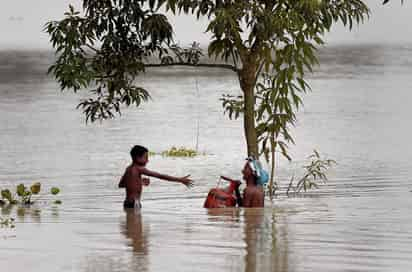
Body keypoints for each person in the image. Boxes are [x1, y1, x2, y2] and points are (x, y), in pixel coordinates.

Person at [119, 145, 194, 209]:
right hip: (134, 203)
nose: (147, 160)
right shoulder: (139, 168)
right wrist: (179, 179)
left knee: (131, 224)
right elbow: (159, 176)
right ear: (138, 158)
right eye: (146, 157)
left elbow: (121, 185)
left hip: (127, 203)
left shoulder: (128, 169)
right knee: (136, 225)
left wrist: (139, 182)